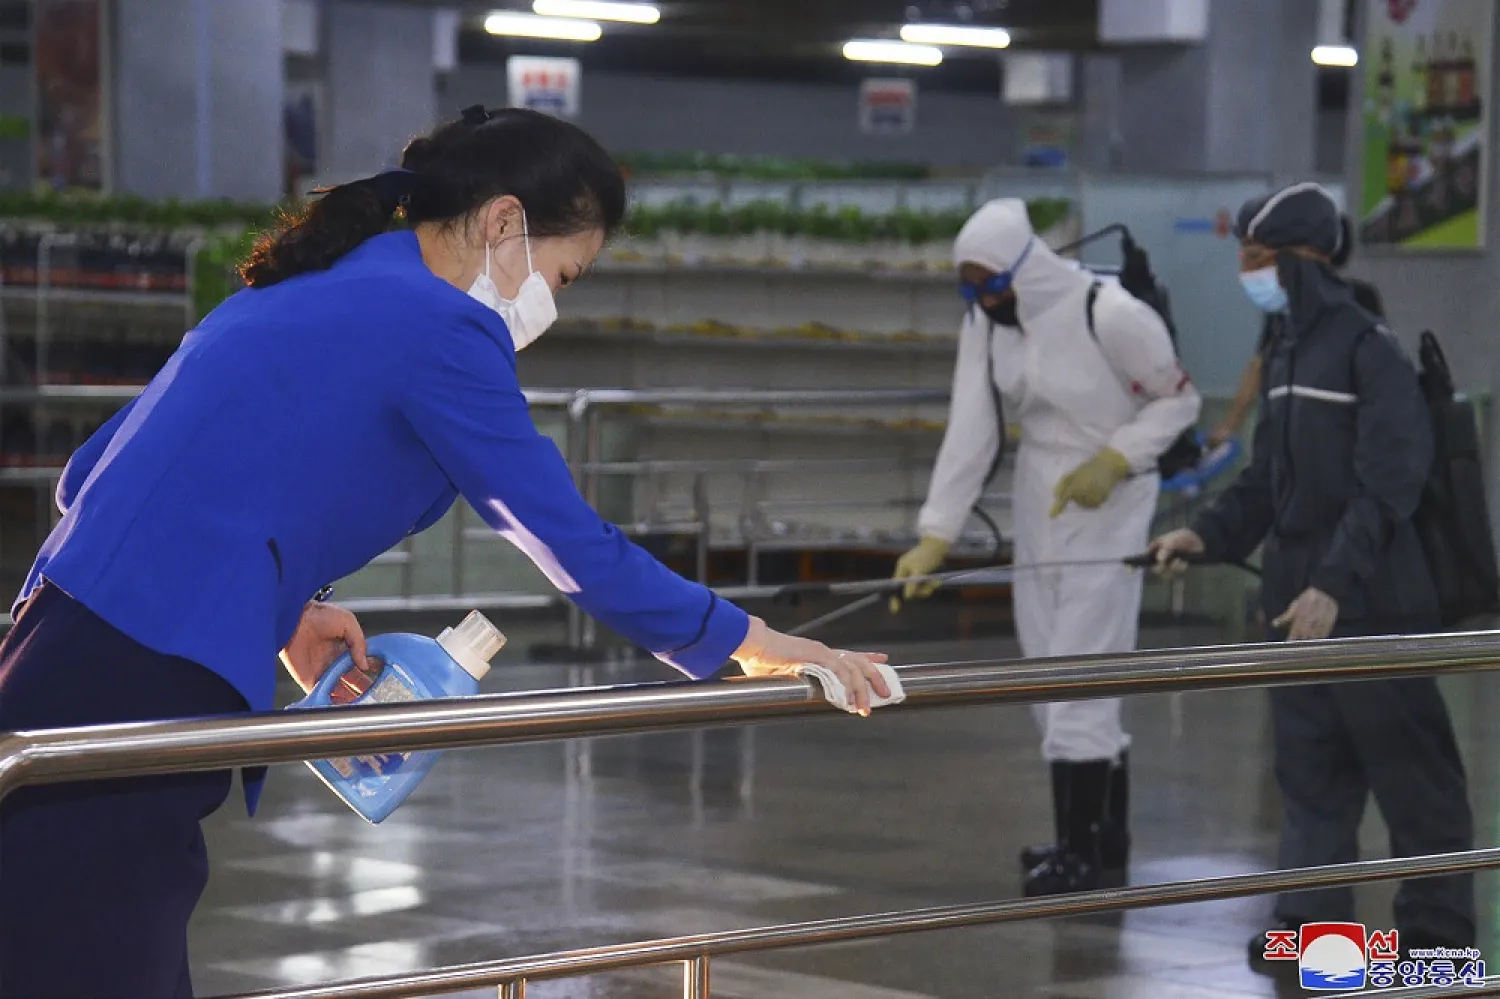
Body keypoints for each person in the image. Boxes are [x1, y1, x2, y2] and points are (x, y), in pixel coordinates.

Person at [0, 106, 891, 999]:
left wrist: (281, 604)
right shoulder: (442, 328)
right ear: (505, 223)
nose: (554, 301)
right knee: (98, 955)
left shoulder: (318, 281)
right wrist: (753, 640)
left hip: (57, 644)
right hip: (142, 675)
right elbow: (570, 541)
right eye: (565, 275)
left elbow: (91, 472)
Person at [1151, 182, 1475, 968]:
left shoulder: (1368, 349)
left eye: (1259, 259)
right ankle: (1315, 928)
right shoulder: (1290, 351)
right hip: (1293, 610)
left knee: (1412, 774)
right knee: (1311, 776)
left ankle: (1436, 938)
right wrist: (1208, 531)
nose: (1248, 273)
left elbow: (1391, 481)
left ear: (1304, 260)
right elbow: (1272, 478)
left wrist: (1334, 579)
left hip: (1370, 603)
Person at [892, 199, 1200, 895]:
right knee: (1045, 666)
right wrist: (936, 533)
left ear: (1023, 269)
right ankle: (1099, 835)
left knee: (1082, 669)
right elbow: (971, 422)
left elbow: (1178, 401)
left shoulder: (1111, 312)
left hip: (1111, 504)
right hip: (1039, 498)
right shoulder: (987, 321)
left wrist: (1116, 460)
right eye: (966, 288)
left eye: (987, 285)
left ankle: (1080, 853)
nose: (980, 300)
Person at [1208, 213, 1383, 447]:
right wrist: (1231, 424)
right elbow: (1259, 365)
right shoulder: (1284, 305)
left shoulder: (1359, 299)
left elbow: (1378, 369)